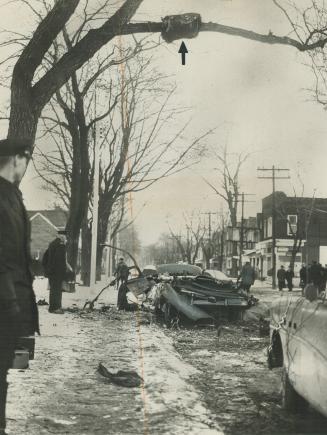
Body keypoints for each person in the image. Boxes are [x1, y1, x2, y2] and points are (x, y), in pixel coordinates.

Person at [0, 138, 39, 435]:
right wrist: (10, 303)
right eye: (27, 159)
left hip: (9, 307)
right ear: (16, 159)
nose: (27, 166)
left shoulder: (12, 196)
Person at [43, 230, 70, 313]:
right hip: (57, 272)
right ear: (62, 236)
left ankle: (52, 307)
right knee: (57, 290)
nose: (65, 239)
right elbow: (60, 260)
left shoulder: (52, 244)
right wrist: (64, 272)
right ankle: (56, 308)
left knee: (53, 290)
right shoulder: (60, 245)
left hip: (51, 271)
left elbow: (45, 257)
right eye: (65, 237)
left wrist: (47, 269)